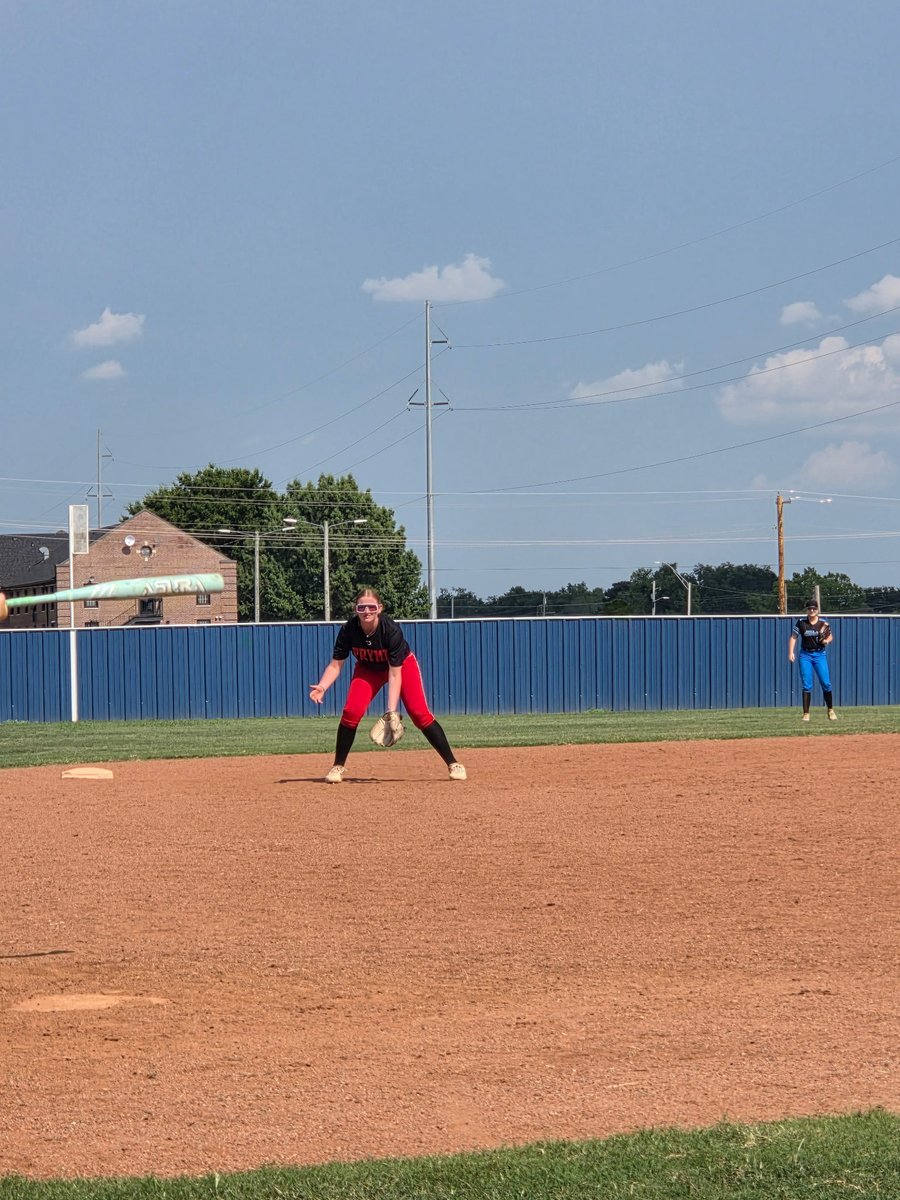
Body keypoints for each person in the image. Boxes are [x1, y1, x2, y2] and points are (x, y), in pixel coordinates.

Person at [309, 587, 467, 783]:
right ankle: (337, 767)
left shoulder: (390, 630)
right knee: (351, 711)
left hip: (402, 667)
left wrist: (391, 712)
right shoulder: (349, 630)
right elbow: (335, 665)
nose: (367, 611)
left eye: (371, 607)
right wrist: (323, 686)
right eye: (362, 607)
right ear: (355, 609)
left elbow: (394, 674)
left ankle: (453, 763)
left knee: (420, 714)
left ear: (380, 608)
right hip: (368, 669)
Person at [788, 598, 837, 723]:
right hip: (805, 655)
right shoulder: (801, 623)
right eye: (809, 608)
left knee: (826, 683)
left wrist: (826, 641)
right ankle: (806, 714)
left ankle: (830, 710)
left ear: (817, 610)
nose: (812, 610)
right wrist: (791, 652)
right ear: (807, 610)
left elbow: (830, 635)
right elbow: (793, 637)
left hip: (819, 654)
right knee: (807, 684)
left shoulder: (823, 623)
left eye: (814, 608)